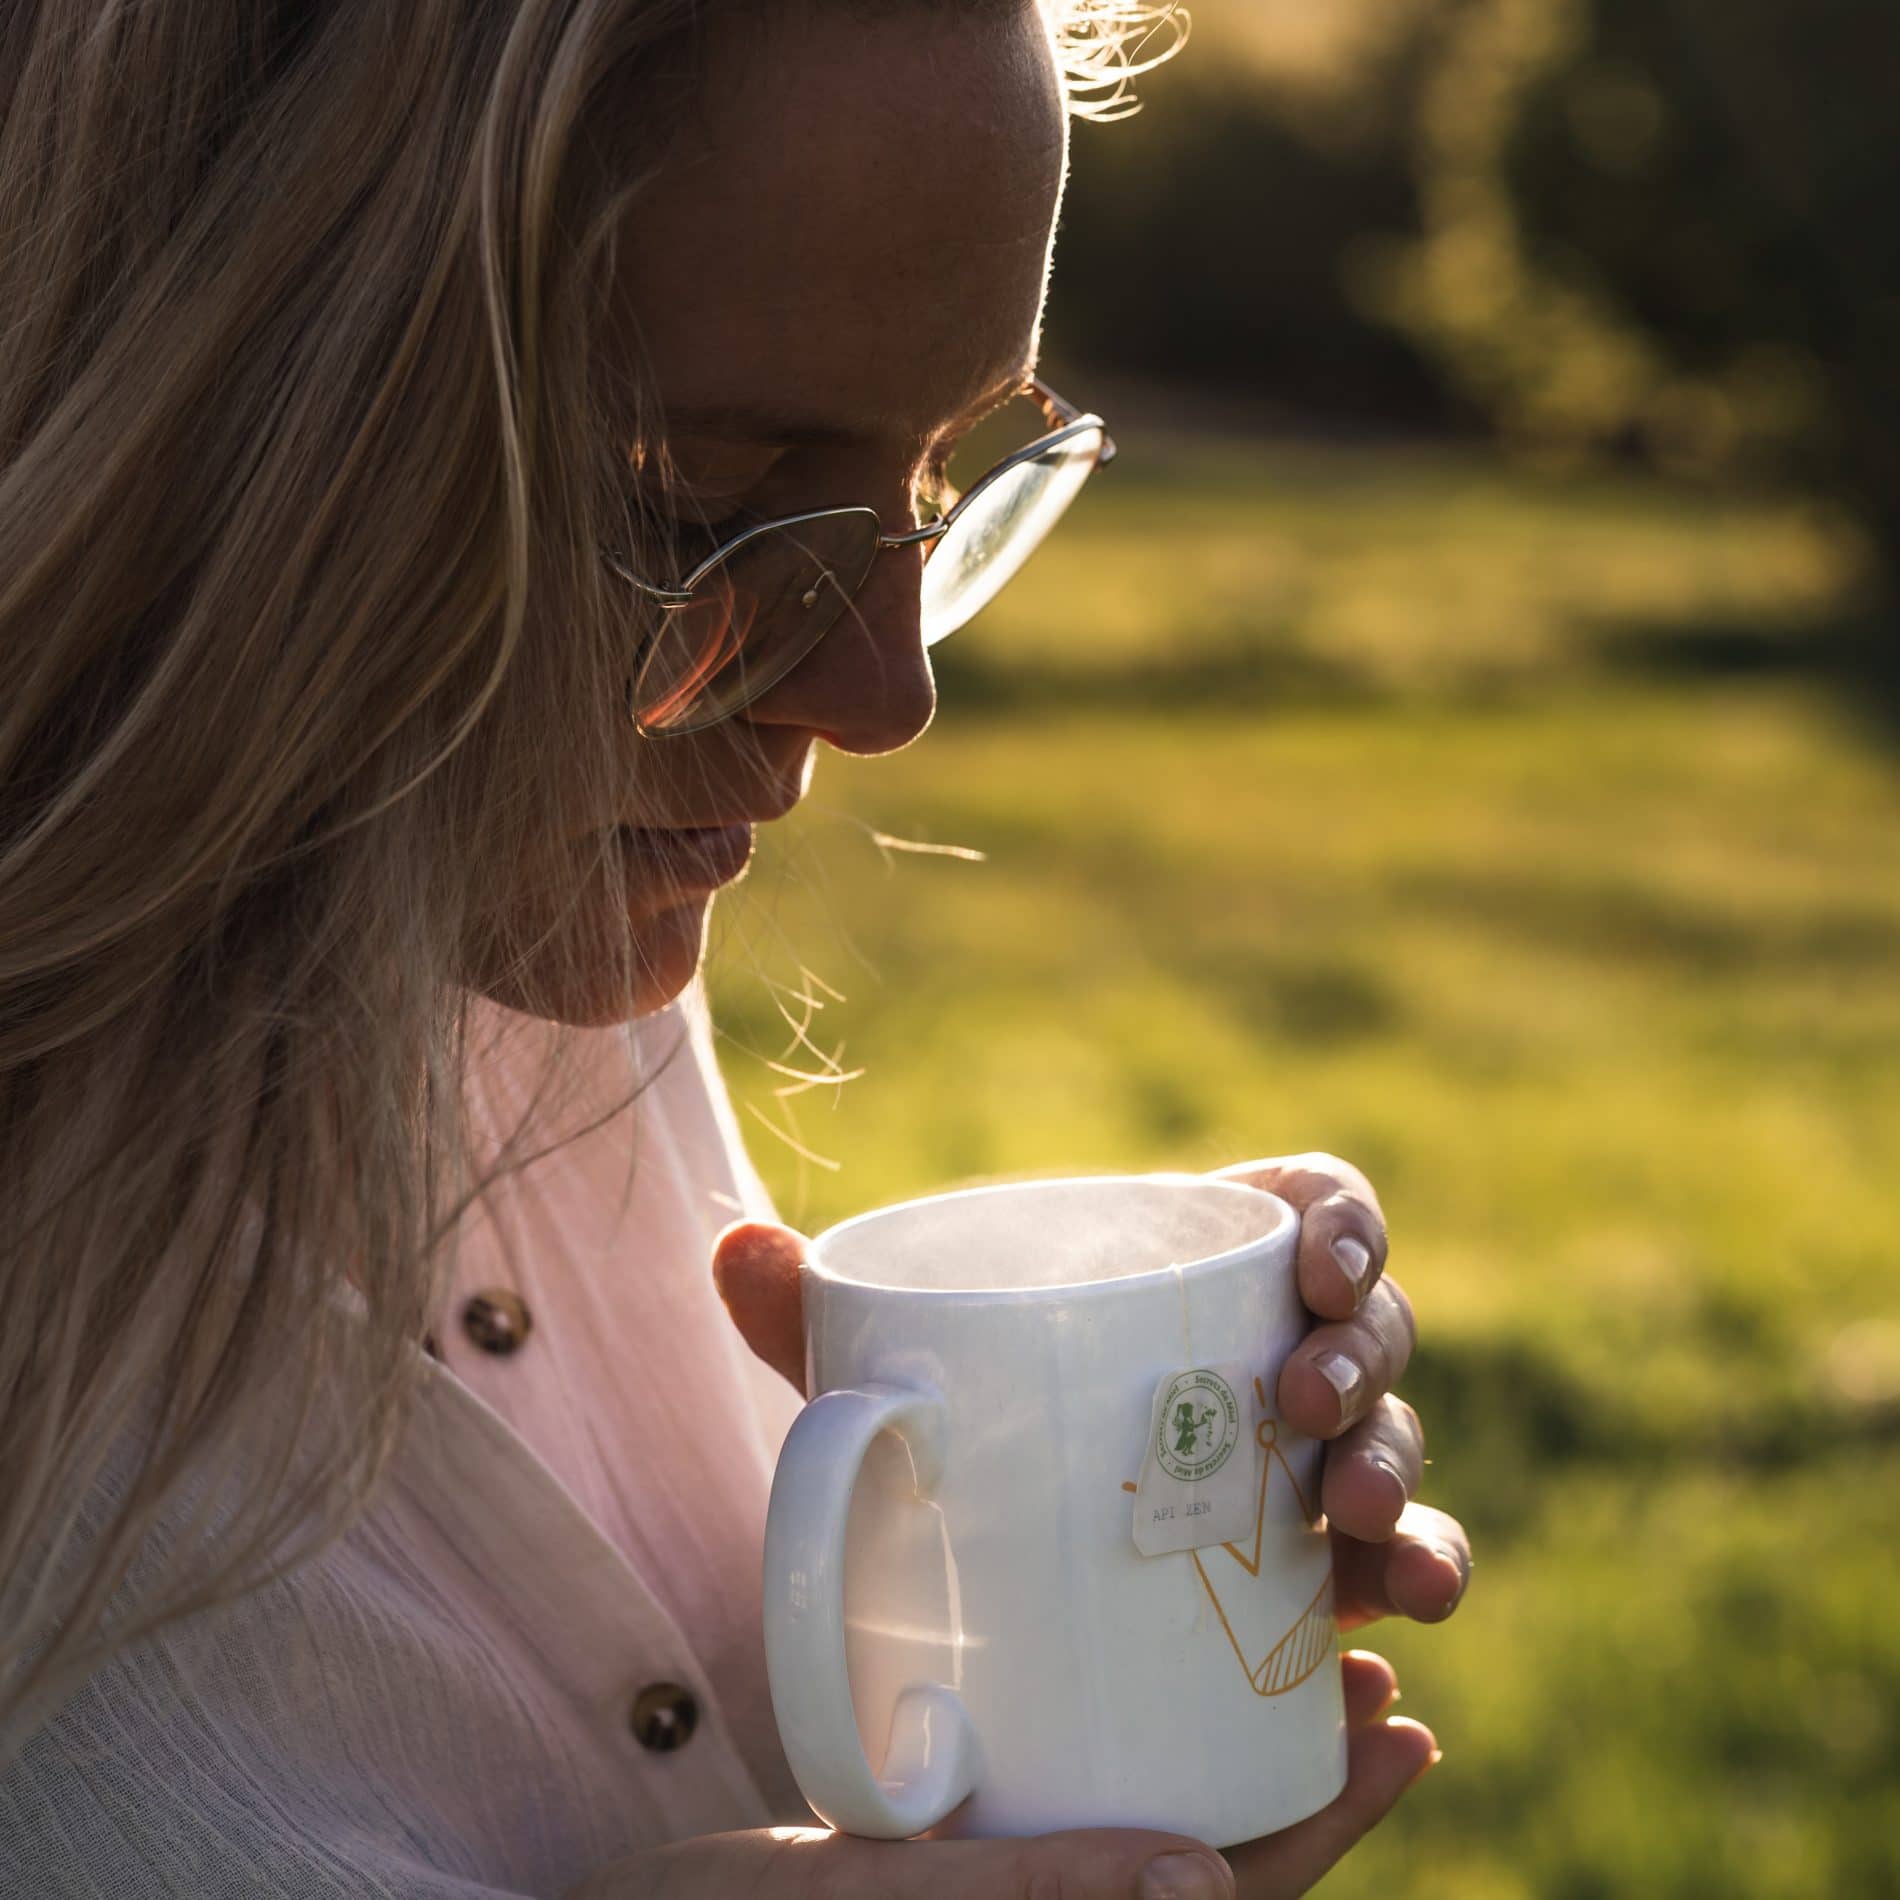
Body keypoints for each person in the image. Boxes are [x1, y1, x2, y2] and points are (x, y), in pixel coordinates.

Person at [0, 2, 1471, 1895]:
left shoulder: (493, 902)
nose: (884, 697)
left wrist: (1068, 1597)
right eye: (698, 506)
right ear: (214, 388)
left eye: (933, 486)